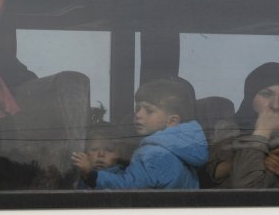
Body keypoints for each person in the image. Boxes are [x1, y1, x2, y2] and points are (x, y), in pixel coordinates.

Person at [77, 78, 207, 190]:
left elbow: (128, 187)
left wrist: (91, 175)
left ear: (172, 121)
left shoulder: (153, 154)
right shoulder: (183, 150)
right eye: (137, 109)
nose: (138, 115)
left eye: (149, 111)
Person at [206, 62, 279, 188]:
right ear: (250, 99)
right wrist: (260, 156)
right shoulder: (227, 129)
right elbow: (209, 176)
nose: (275, 105)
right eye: (266, 94)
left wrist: (262, 131)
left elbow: (248, 189)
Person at [71, 121, 130, 189]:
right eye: (94, 149)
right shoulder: (78, 177)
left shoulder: (123, 177)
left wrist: (90, 173)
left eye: (108, 149)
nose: (101, 154)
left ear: (119, 153)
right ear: (85, 152)